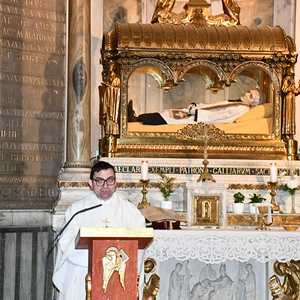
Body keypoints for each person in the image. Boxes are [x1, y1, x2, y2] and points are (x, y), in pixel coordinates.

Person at [52, 161, 145, 300]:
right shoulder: (77, 210)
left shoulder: (130, 212)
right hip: (84, 272)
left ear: (116, 183)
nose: (105, 186)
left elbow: (140, 243)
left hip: (119, 275)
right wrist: (96, 261)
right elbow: (67, 244)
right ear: (91, 184)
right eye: (99, 181)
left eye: (110, 180)